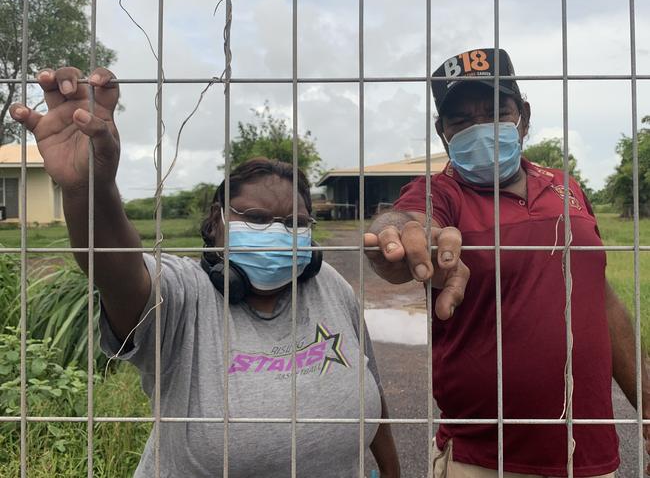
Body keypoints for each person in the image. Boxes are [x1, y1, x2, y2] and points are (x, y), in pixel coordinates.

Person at [9, 67, 400, 477]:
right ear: (217, 222)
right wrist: (89, 188)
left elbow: (368, 384)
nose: (279, 233)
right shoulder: (183, 294)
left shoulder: (329, 286)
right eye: (257, 217)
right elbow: (115, 269)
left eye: (295, 223)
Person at [364, 48, 650, 477]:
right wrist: (400, 236)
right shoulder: (441, 192)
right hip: (482, 461)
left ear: (524, 117)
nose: (481, 128)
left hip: (589, 456)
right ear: (443, 132)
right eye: (461, 121)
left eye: (497, 112)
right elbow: (407, 221)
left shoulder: (565, 187)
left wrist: (646, 406)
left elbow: (601, 299)